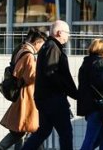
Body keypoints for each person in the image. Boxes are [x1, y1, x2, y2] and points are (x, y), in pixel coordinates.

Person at [22, 21, 79, 150]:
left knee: (44, 131)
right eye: (67, 33)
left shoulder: (49, 46)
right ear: (59, 33)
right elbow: (52, 72)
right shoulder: (53, 47)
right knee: (65, 133)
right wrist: (69, 90)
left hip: (46, 98)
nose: (68, 36)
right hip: (54, 99)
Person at [0, 29, 48, 150]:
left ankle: (0, 148)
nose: (42, 47)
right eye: (42, 44)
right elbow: (31, 77)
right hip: (28, 96)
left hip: (22, 95)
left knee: (20, 128)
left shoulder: (20, 50)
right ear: (37, 42)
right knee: (33, 128)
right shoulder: (29, 55)